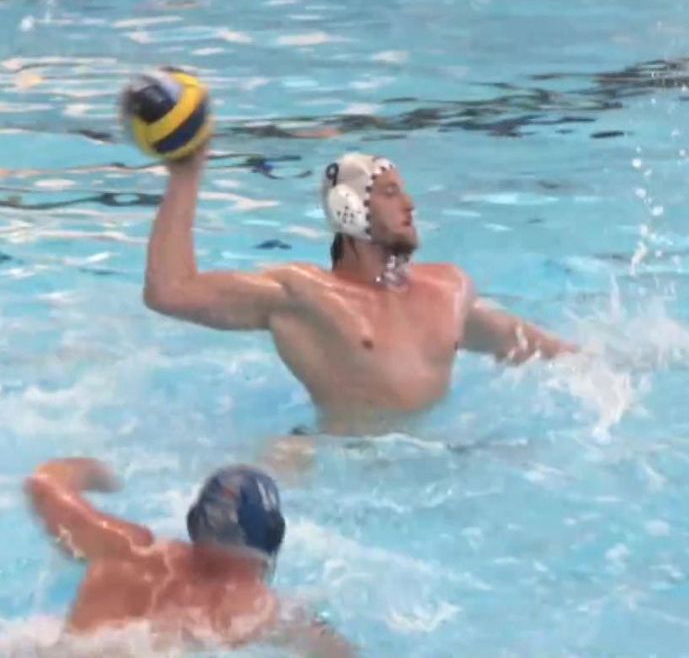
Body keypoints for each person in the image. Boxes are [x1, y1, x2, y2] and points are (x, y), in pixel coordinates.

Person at [143, 144, 574, 435]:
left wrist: (615, 363)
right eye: (390, 193)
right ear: (349, 210)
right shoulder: (304, 296)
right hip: (337, 462)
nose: (410, 205)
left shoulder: (446, 290)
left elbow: (515, 341)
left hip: (435, 458)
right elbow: (170, 291)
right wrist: (186, 173)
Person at [25, 458, 352, 655]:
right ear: (273, 536)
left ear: (195, 520)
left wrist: (94, 471)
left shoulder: (126, 549)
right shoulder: (258, 608)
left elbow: (42, 484)